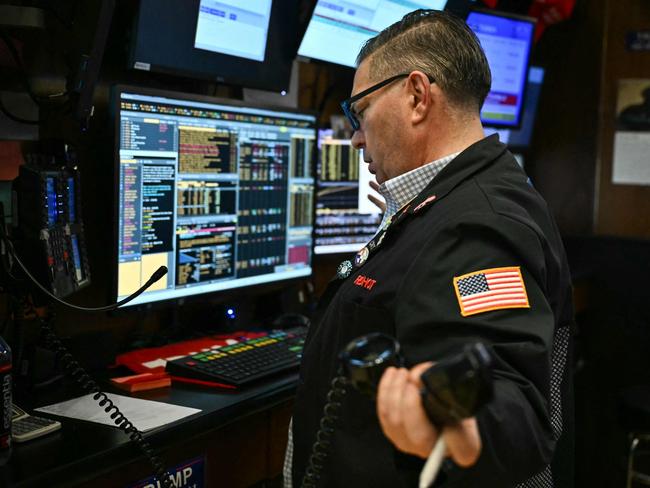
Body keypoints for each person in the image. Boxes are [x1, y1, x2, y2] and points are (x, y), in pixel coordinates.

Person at [285, 9, 574, 488]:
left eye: (359, 112)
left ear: (417, 96)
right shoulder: (449, 202)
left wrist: (459, 429)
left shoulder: (479, 224)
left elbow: (513, 399)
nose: (356, 137)